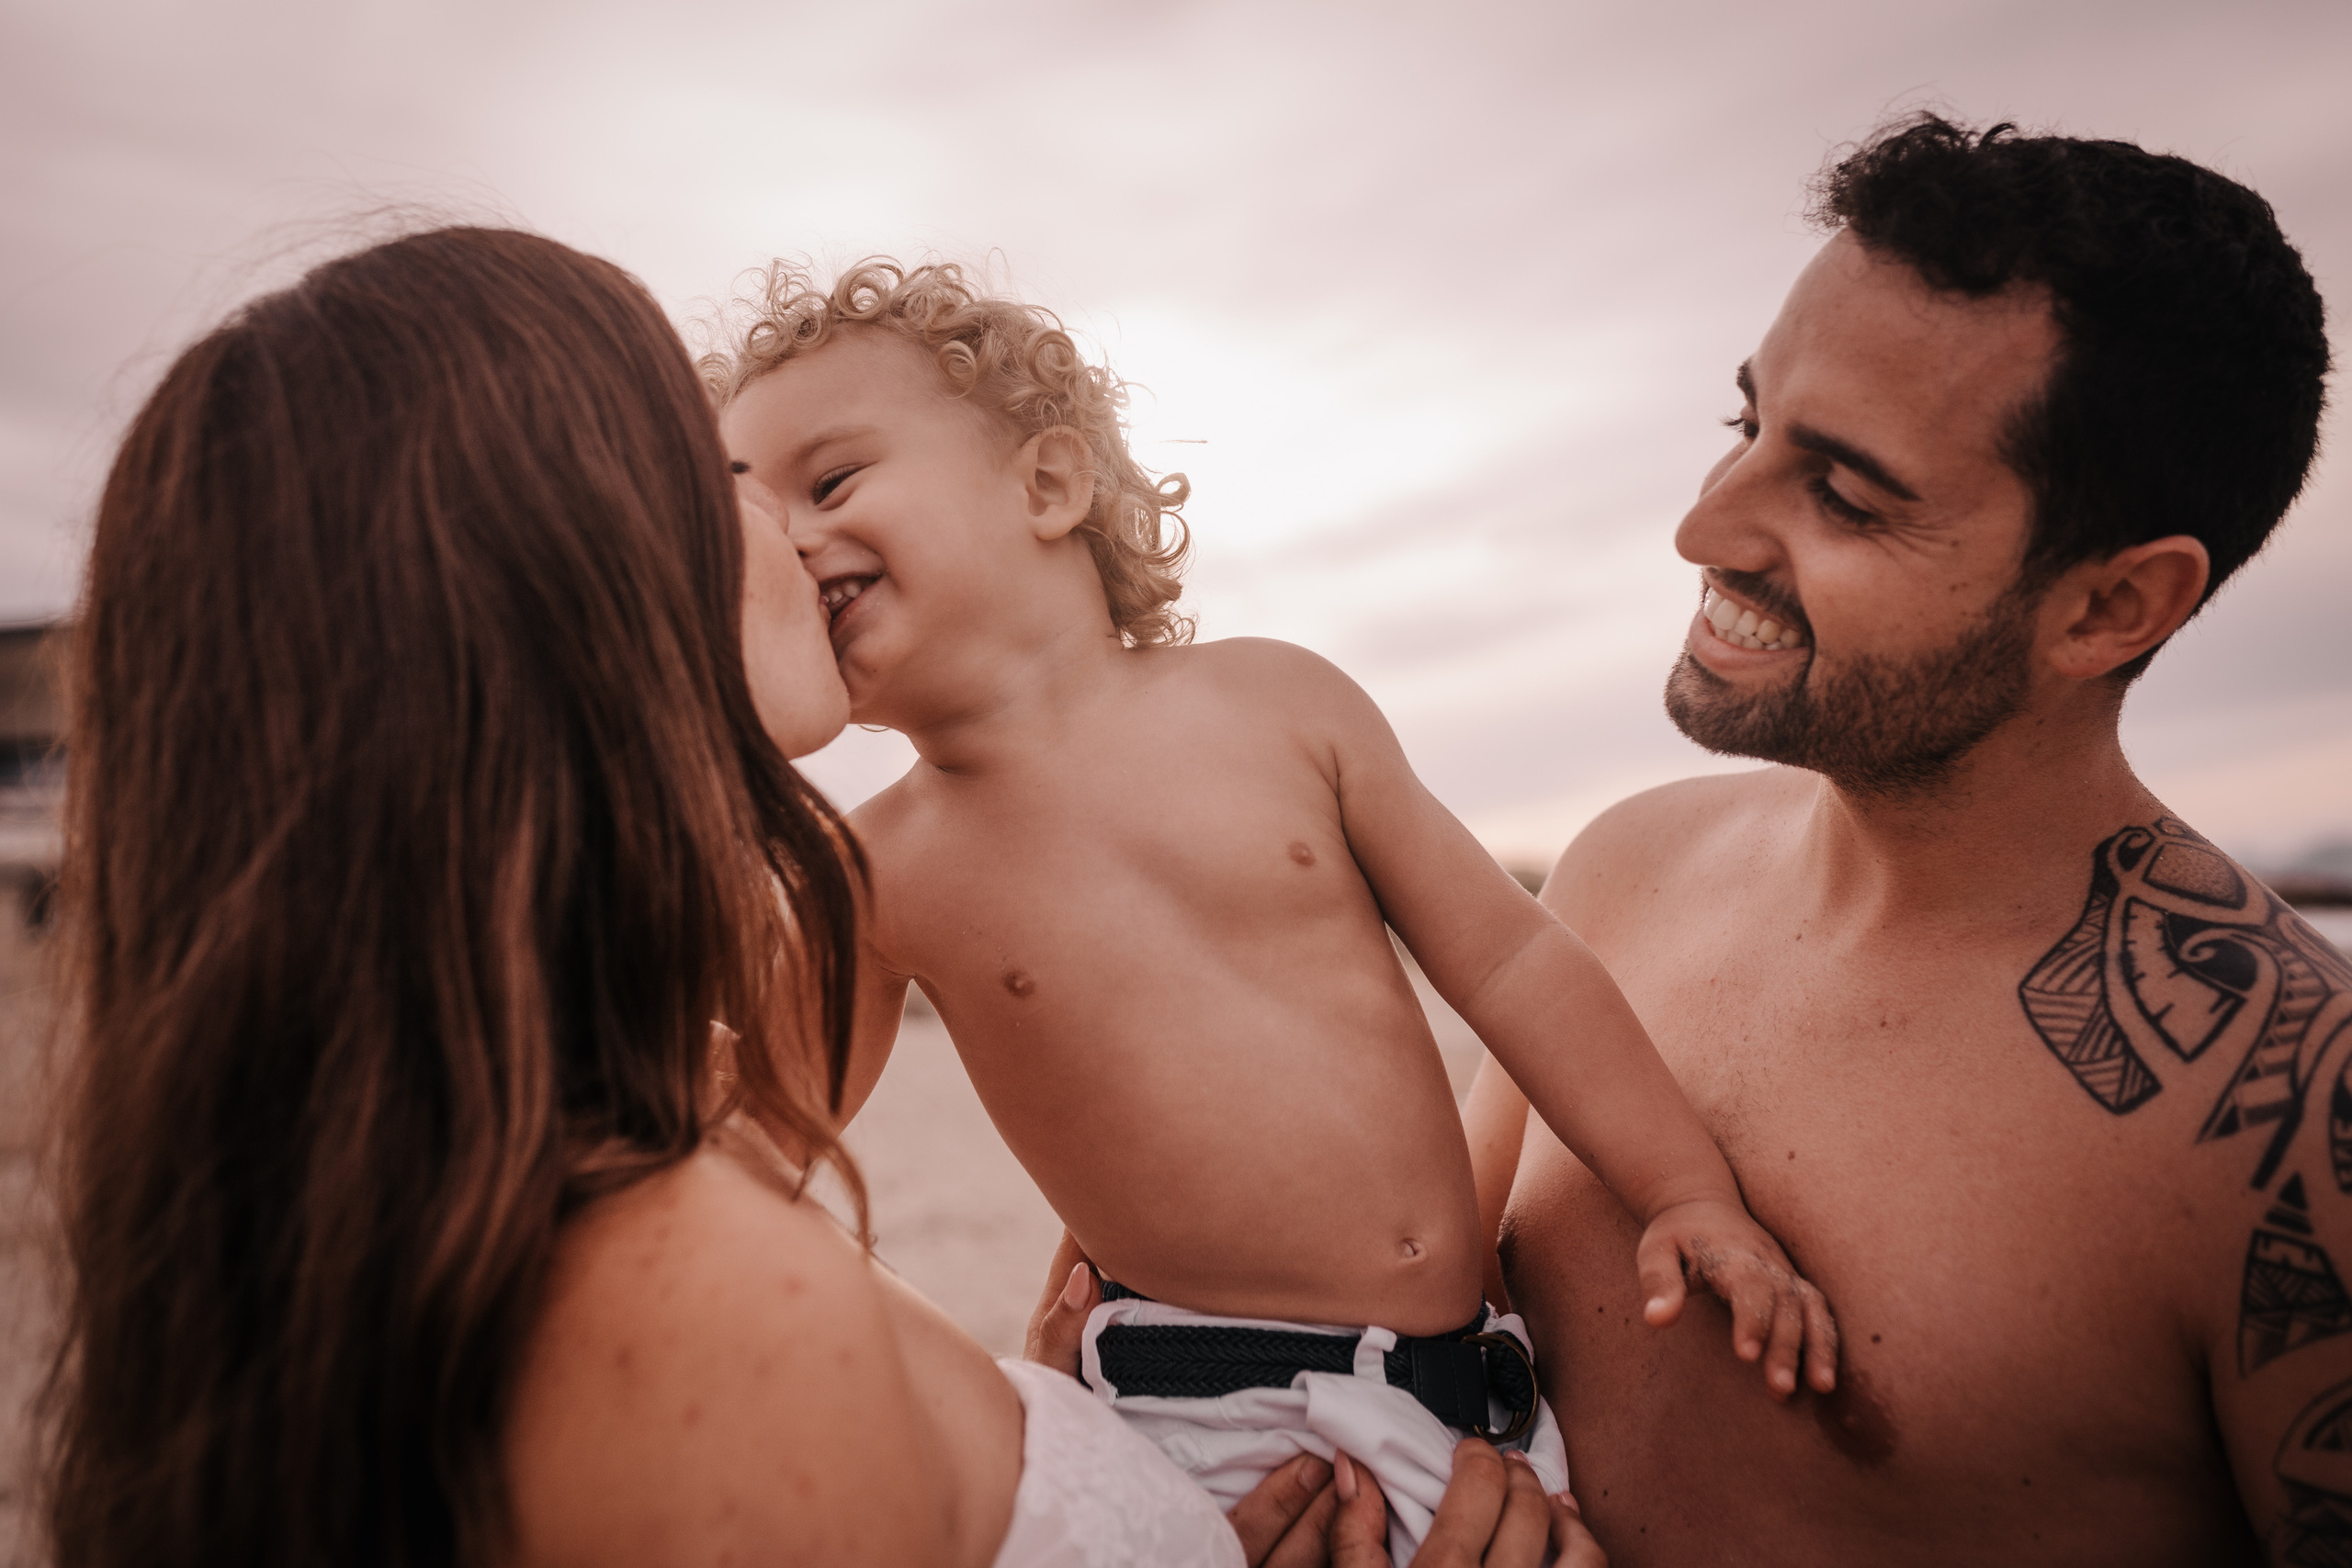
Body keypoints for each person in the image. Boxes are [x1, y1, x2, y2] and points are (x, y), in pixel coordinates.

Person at [40, 225, 1589, 1568]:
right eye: (713, 476)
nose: (779, 527)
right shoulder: (706, 1307)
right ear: (578, 581)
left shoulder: (511, 1182)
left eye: (814, 476)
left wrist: (1046, 1411)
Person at [703, 259, 1836, 1561]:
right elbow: (767, 1149)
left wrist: (1687, 1190)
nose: (786, 542)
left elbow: (1515, 963)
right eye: (746, 525)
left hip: (1480, 1391)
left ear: (1048, 486)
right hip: (1201, 1420)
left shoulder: (1284, 707)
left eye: (830, 483)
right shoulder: (871, 869)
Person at [1465, 114, 2338, 1565]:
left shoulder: (2286, 1126)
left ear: (2111, 609)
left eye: (1845, 495)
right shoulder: (1620, 877)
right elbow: (1412, 1330)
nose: (1704, 528)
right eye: (1747, 428)